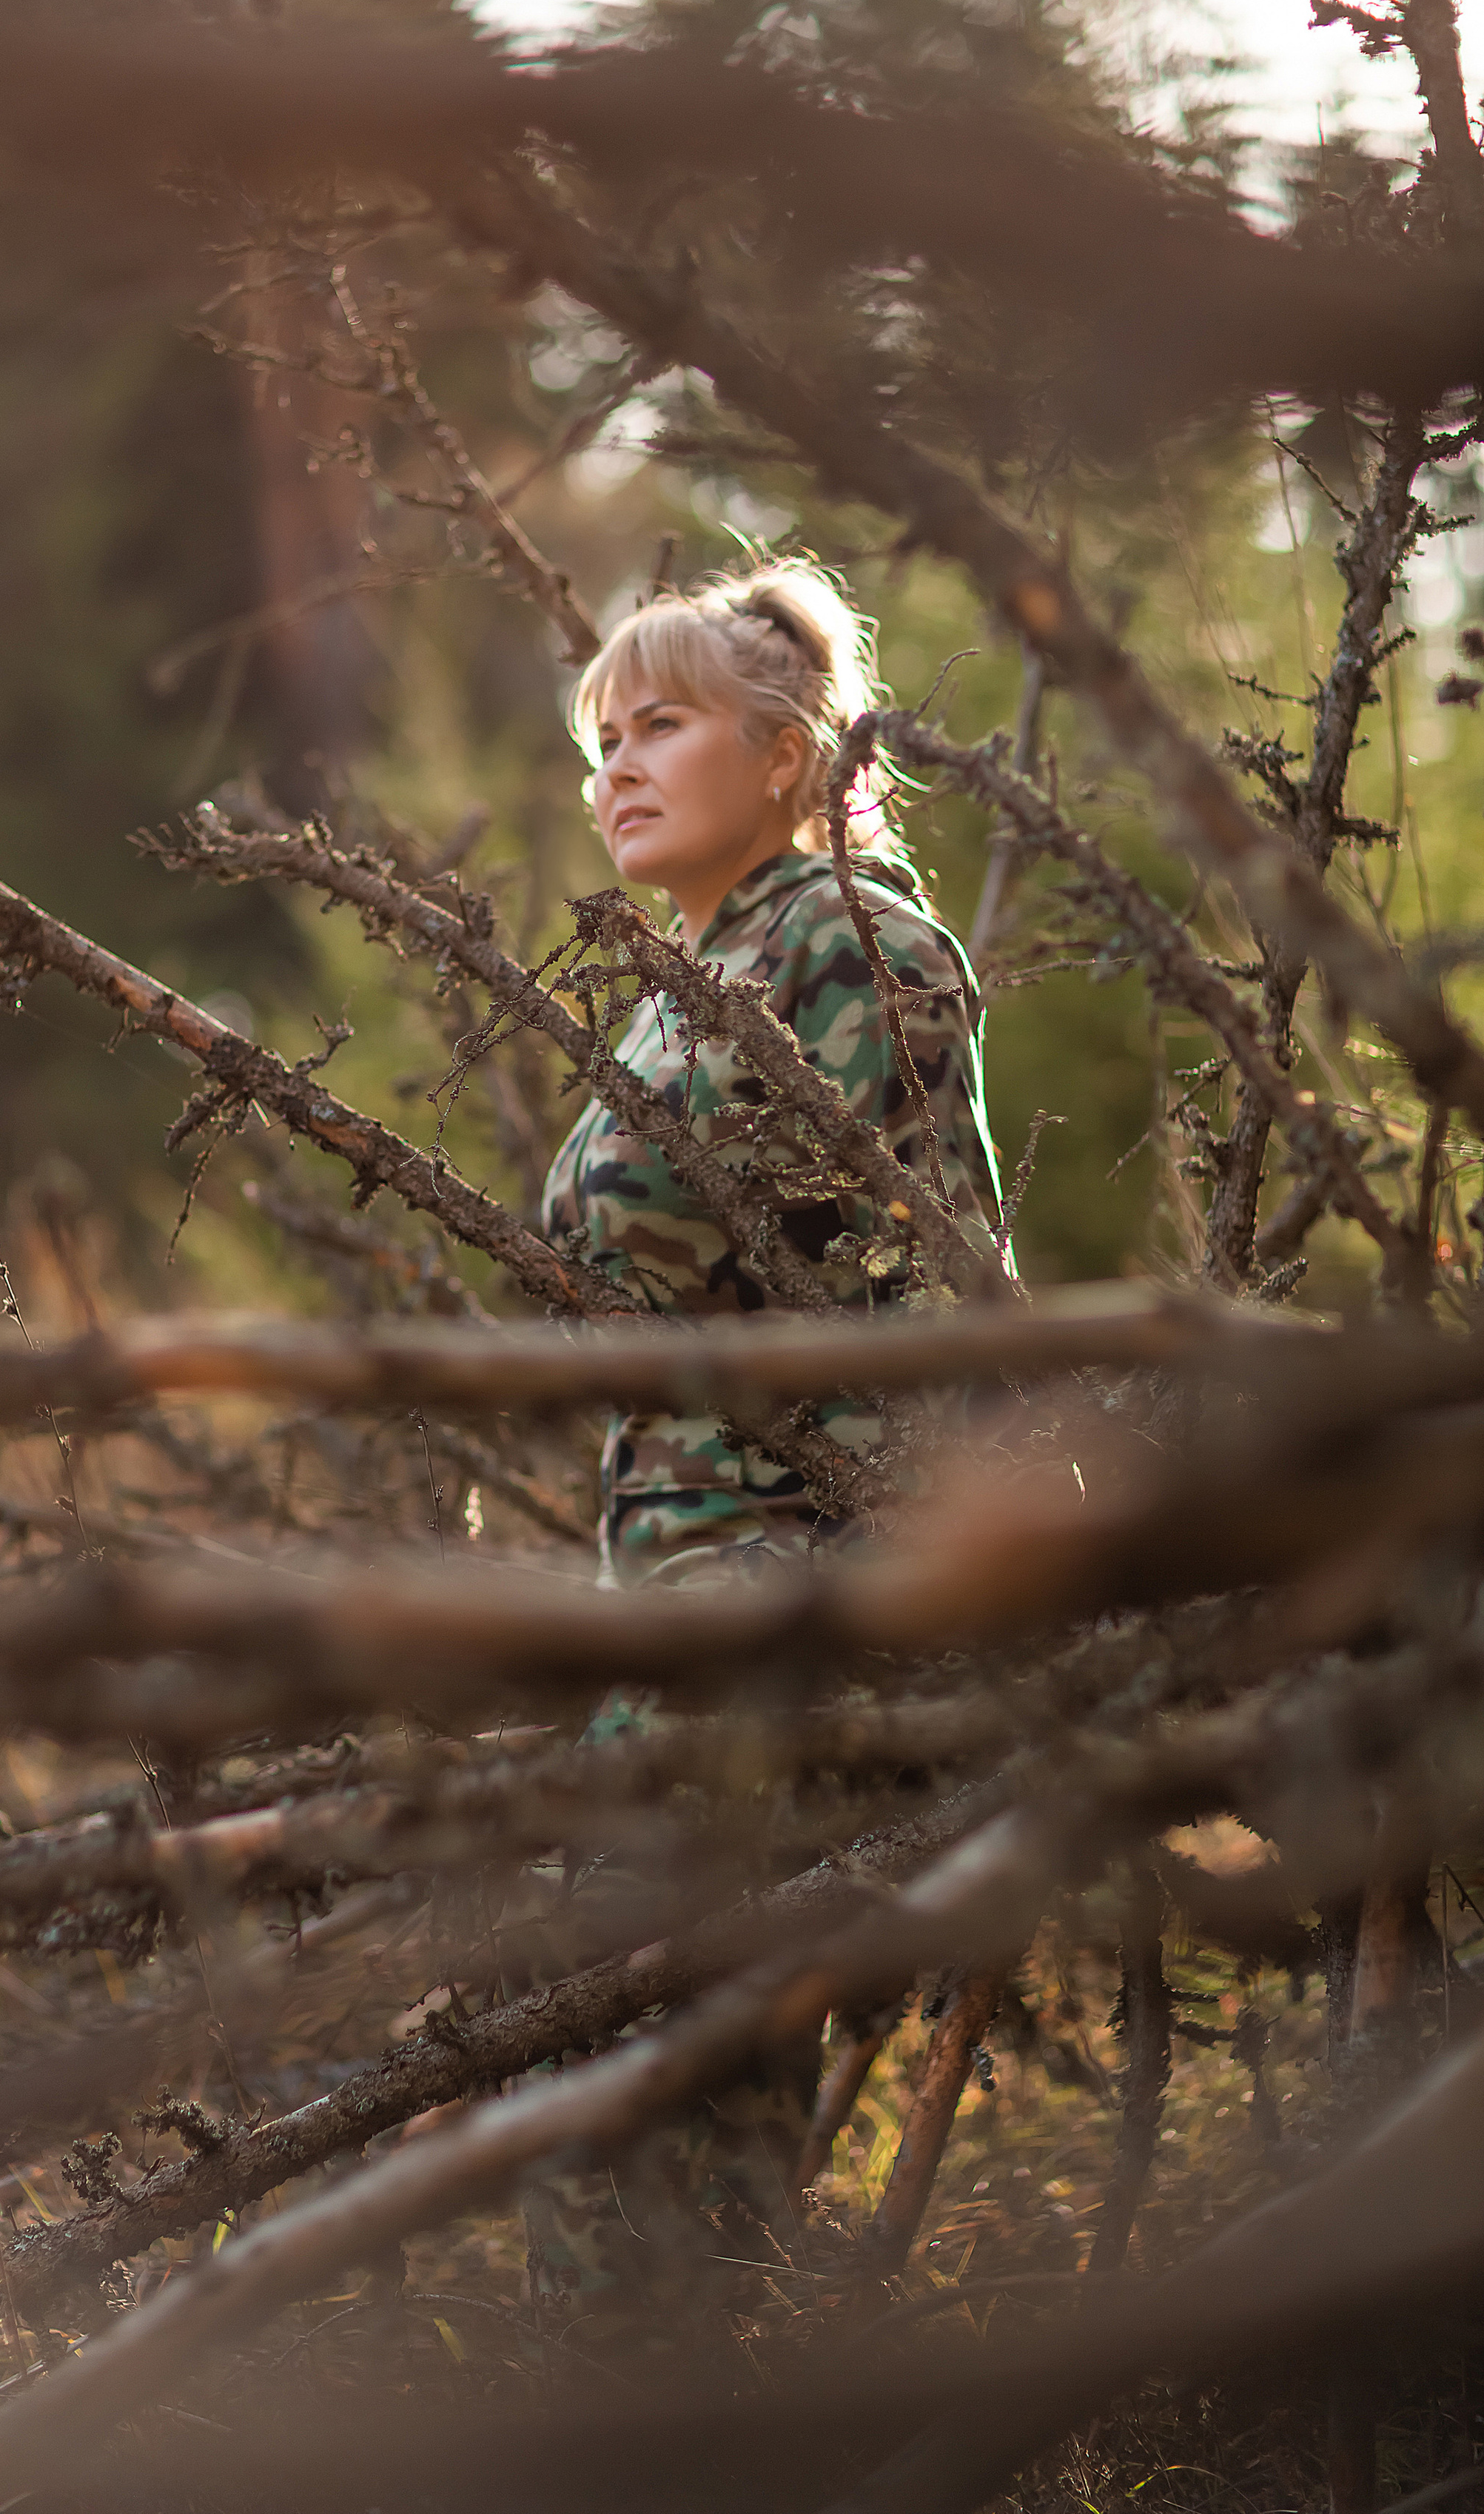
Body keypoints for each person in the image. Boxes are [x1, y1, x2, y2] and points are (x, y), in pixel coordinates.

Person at [521, 557, 1003, 2350]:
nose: (613, 768)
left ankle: (673, 2433)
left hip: (786, 1582)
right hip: (664, 1589)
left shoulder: (855, 946)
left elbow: (868, 1275)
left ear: (789, 753)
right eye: (599, 739)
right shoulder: (694, 972)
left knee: (653, 2086)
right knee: (629, 2085)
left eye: (660, 725)